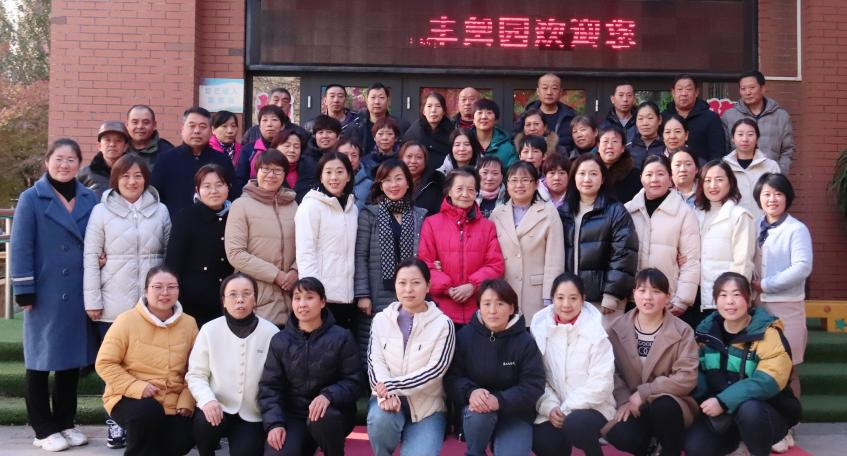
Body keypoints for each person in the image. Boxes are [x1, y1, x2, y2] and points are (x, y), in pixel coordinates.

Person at [12, 139, 98, 452]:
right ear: (47, 162)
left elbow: (96, 237)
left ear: (79, 163)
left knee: (69, 362)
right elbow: (21, 246)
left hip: (78, 290)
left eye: (71, 159)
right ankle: (42, 428)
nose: (65, 165)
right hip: (45, 291)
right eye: (59, 159)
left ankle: (65, 422)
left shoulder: (89, 197)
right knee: (39, 361)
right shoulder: (31, 198)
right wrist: (24, 289)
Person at [684, 272, 801, 456]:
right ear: (715, 300)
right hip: (723, 413)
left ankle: (759, 449)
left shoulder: (767, 333)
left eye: (736, 294)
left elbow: (768, 380)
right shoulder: (705, 333)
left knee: (750, 410)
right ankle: (737, 443)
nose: (729, 301)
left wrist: (723, 401)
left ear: (749, 298)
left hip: (766, 411)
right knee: (696, 448)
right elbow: (696, 370)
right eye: (723, 295)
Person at [95, 266, 198, 456]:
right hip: (127, 396)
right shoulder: (126, 320)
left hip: (172, 398)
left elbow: (197, 368)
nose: (165, 293)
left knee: (182, 437)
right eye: (157, 287)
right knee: (147, 413)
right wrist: (136, 386)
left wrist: (187, 399)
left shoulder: (189, 323)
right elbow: (105, 363)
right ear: (146, 290)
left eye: (171, 287)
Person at [259, 277, 364, 456]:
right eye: (297, 298)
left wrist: (328, 395)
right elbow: (270, 387)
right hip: (294, 415)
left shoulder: (342, 337)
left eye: (309, 297)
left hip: (332, 413)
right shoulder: (280, 340)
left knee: (324, 418)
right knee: (279, 452)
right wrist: (274, 424)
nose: (302, 304)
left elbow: (355, 381)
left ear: (322, 302)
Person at [444, 279, 545, 456]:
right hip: (477, 412)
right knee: (478, 415)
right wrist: (471, 392)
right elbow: (452, 377)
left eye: (500, 304)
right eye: (487, 304)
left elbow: (533, 385)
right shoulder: (465, 337)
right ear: (479, 307)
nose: (492, 310)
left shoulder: (525, 342)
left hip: (515, 414)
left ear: (512, 308)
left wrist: (499, 400)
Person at [605, 268, 700, 456]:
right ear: (634, 294)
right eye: (642, 290)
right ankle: (649, 449)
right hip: (630, 402)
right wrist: (624, 400)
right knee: (620, 433)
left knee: (663, 407)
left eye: (656, 291)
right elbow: (611, 372)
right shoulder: (616, 328)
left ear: (668, 296)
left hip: (670, 403)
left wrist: (645, 392)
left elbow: (686, 377)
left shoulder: (683, 331)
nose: (648, 297)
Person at [366, 258, 456, 456]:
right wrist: (386, 394)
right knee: (380, 420)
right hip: (387, 402)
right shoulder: (381, 320)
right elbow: (374, 362)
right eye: (402, 283)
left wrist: (391, 386)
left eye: (416, 283)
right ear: (395, 285)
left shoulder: (443, 324)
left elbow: (435, 371)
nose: (408, 289)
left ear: (428, 286)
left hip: (427, 408)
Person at [186, 273, 279, 456]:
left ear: (255, 299)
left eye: (246, 294)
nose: (240, 300)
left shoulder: (271, 332)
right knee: (204, 423)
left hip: (252, 413)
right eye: (233, 294)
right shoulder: (209, 330)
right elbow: (196, 374)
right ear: (224, 301)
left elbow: (276, 380)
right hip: (217, 406)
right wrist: (207, 400)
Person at [530, 273, 616, 456]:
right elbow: (538, 378)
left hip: (594, 407)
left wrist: (566, 408)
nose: (566, 304)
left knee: (576, 424)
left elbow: (602, 383)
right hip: (555, 407)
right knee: (543, 440)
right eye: (560, 298)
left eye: (573, 298)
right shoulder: (540, 331)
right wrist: (550, 407)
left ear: (583, 299)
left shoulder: (597, 333)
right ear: (552, 299)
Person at [84, 153, 171, 331]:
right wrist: (93, 302)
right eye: (125, 176)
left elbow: (169, 256)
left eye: (138, 176)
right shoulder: (100, 211)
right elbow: (91, 258)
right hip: (113, 307)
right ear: (116, 179)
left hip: (152, 306)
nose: (132, 182)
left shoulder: (161, 211)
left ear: (145, 179)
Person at [354, 159, 427, 366]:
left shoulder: (420, 216)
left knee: (407, 343)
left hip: (410, 290)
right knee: (375, 344)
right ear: (380, 184)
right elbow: (360, 256)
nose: (393, 185)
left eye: (398, 179)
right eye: (387, 180)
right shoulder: (369, 214)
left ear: (408, 183)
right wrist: (363, 294)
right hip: (378, 291)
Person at [558, 153, 638, 328]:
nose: (587, 179)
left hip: (602, 301)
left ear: (603, 179)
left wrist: (612, 294)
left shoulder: (616, 211)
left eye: (593, 174)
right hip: (569, 298)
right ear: (574, 178)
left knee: (602, 343)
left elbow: (624, 254)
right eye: (582, 173)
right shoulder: (563, 212)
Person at [418, 168, 506, 326]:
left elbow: (495, 265)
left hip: (478, 310)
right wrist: (447, 288)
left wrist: (473, 286)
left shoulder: (487, 227)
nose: (465, 194)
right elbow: (425, 263)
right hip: (441, 310)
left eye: (471, 190)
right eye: (459, 189)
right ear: (449, 191)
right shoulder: (431, 223)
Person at [752, 173, 812, 400]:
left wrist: (765, 285)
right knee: (760, 368)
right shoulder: (754, 226)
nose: (772, 199)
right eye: (766, 194)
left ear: (787, 197)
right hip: (757, 308)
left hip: (787, 309)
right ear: (759, 198)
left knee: (788, 369)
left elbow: (802, 267)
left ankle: (791, 419)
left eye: (778, 194)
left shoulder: (796, 229)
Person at [225, 149, 298, 326]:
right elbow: (236, 253)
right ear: (256, 172)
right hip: (259, 299)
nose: (271, 175)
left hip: (293, 299)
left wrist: (295, 271)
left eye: (277, 170)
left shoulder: (293, 205)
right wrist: (276, 275)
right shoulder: (241, 205)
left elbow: (304, 245)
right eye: (265, 169)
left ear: (285, 174)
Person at [624, 155, 701, 316]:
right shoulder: (628, 211)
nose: (654, 179)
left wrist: (682, 300)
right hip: (632, 296)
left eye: (660, 174)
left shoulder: (684, 213)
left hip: (668, 297)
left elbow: (691, 260)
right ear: (641, 178)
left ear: (670, 178)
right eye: (649, 174)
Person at [490, 161, 565, 324]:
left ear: (536, 184)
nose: (519, 185)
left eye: (525, 180)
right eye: (514, 180)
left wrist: (550, 296)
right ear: (507, 184)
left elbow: (555, 259)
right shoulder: (497, 214)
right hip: (504, 291)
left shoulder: (549, 212)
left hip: (536, 294)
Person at [295, 151, 359, 329]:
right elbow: (305, 253)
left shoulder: (352, 209)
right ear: (321, 177)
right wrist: (311, 294)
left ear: (348, 176)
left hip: (348, 296)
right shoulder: (310, 206)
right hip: (323, 297)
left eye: (340, 172)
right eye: (328, 172)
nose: (334, 177)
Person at [165, 164, 234, 327]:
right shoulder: (186, 217)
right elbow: (173, 262)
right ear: (197, 190)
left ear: (228, 187)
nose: (214, 191)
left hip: (228, 301)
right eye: (207, 186)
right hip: (193, 303)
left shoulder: (235, 216)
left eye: (219, 185)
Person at [693, 160, 756, 326]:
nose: (713, 185)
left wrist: (733, 298)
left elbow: (742, 263)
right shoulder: (696, 214)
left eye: (719, 179)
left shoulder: (740, 216)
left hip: (725, 302)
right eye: (707, 180)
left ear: (730, 182)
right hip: (697, 298)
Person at [151, 106, 237, 217]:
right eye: (192, 126)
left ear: (211, 131)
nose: (197, 131)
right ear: (182, 129)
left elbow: (233, 194)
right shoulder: (165, 159)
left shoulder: (222, 160)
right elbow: (155, 197)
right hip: (175, 223)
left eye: (203, 127)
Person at [721, 70, 796, 174]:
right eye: (743, 89)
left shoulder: (780, 116)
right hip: (738, 174)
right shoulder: (729, 116)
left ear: (763, 89)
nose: (747, 92)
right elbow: (724, 148)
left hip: (770, 175)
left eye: (752, 88)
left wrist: (780, 173)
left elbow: (787, 150)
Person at [723, 118, 781, 218]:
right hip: (733, 222)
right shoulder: (723, 166)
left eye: (750, 134)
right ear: (732, 138)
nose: (745, 139)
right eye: (740, 134)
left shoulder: (771, 166)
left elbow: (778, 197)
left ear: (757, 138)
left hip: (763, 222)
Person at [662, 74, 726, 163]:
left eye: (688, 89)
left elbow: (717, 152)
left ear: (696, 92)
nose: (684, 94)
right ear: (673, 92)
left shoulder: (711, 118)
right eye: (679, 89)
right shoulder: (664, 117)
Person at [512, 73, 576, 150]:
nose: (549, 92)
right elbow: (515, 140)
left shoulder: (569, 117)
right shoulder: (526, 116)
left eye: (554, 88)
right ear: (538, 91)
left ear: (560, 92)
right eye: (545, 88)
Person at [236, 105, 287, 192]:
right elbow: (240, 180)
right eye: (265, 120)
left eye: (274, 120)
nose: (269, 124)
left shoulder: (289, 149)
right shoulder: (248, 149)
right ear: (259, 126)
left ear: (282, 126)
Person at [350, 82, 410, 153]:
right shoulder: (355, 127)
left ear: (388, 100)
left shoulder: (401, 126)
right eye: (373, 97)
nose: (377, 102)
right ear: (366, 100)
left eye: (381, 97)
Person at [403, 91, 453, 172]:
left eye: (438, 106)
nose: (433, 110)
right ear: (424, 111)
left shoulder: (451, 131)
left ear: (444, 111)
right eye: (429, 106)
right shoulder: (414, 131)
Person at [78, 121, 130, 199]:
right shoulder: (85, 174)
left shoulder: (133, 174)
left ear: (125, 147)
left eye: (118, 140)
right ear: (99, 146)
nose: (112, 144)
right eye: (107, 140)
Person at [242, 88, 308, 146]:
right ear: (267, 103)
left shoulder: (301, 133)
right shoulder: (252, 133)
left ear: (289, 107)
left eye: (285, 101)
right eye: (276, 100)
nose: (280, 105)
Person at [597, 125, 642, 203]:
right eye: (605, 141)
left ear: (622, 148)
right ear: (598, 146)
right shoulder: (589, 171)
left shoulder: (634, 175)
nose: (609, 146)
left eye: (614, 141)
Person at [399, 140, 443, 216]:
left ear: (425, 161)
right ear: (401, 159)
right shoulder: (392, 181)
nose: (413, 161)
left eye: (419, 157)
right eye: (409, 156)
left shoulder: (436, 182)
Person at [470, 99, 517, 167]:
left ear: (496, 120)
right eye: (479, 113)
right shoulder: (465, 142)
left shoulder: (507, 148)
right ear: (473, 119)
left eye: (489, 113)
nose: (484, 117)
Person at [125, 105, 174, 169]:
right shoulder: (119, 148)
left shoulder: (167, 151)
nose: (140, 126)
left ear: (154, 125)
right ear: (127, 125)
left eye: (146, 122)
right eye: (135, 122)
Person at [270, 128, 307, 201]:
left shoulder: (309, 170)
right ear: (275, 147)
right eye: (287, 146)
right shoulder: (265, 170)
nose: (292, 150)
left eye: (296, 147)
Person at [336, 137, 373, 210]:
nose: (350, 160)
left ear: (360, 158)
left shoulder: (370, 185)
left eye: (354, 155)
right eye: (345, 155)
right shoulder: (329, 182)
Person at [627, 101, 665, 171]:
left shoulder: (666, 147)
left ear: (659, 120)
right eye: (640, 119)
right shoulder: (628, 149)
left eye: (650, 118)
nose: (645, 123)